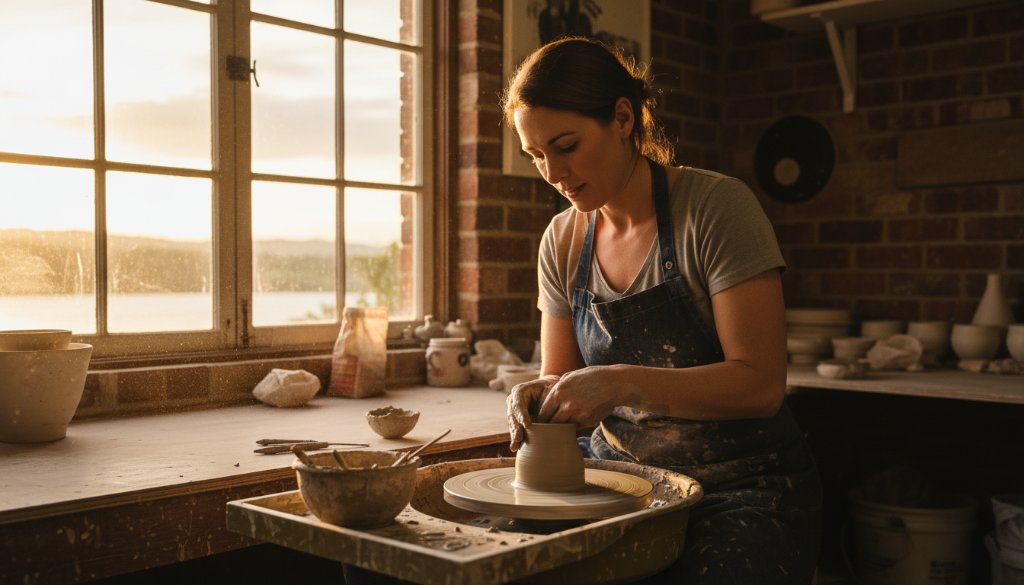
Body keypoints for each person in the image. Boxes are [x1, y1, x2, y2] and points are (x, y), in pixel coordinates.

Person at [501, 37, 822, 584]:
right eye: (537, 156)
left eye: (567, 145)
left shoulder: (716, 209)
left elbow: (762, 385)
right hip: (623, 480)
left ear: (622, 118)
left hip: (742, 486)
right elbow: (559, 374)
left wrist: (622, 383)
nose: (553, 172)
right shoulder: (561, 240)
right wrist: (538, 393)